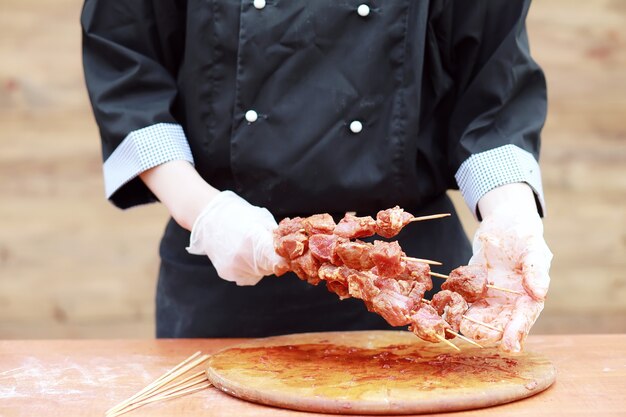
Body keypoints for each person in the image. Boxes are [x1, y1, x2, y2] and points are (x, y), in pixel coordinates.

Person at [81, 0, 552, 352]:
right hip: (225, 269)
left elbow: (493, 85)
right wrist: (203, 211)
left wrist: (511, 212)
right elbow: (126, 59)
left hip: (416, 281)